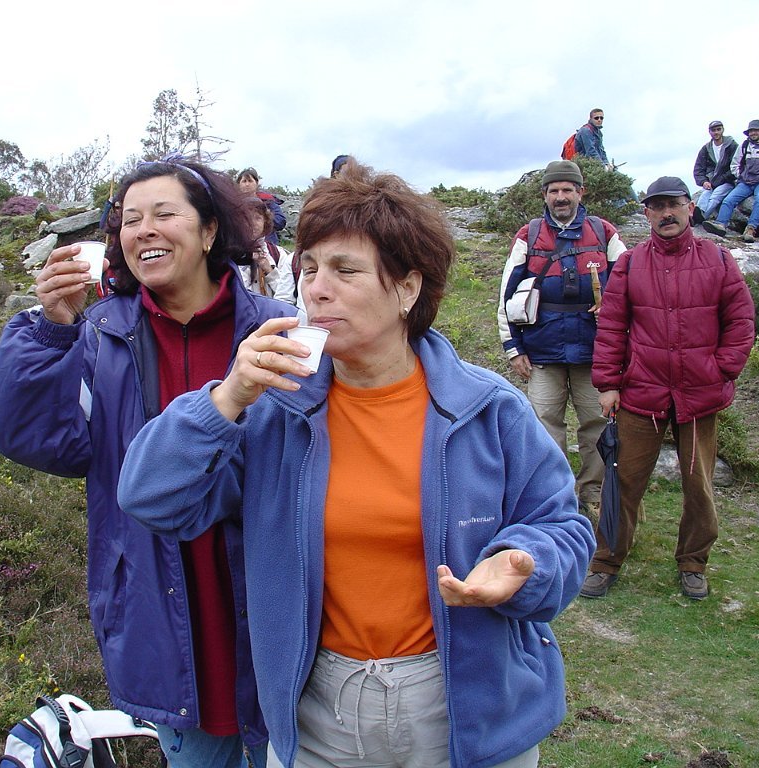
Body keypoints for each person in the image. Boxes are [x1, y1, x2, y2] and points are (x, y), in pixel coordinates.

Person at [120, 161, 595, 768]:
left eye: (346, 270)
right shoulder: (275, 410)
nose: (317, 289)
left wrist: (526, 563)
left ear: (408, 289)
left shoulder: (488, 408)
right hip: (319, 718)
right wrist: (227, 396)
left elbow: (563, 526)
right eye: (309, 269)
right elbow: (150, 497)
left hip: (467, 711)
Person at [0, 156, 299, 768]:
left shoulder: (272, 330)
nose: (144, 229)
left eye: (164, 214)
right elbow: (38, 438)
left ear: (209, 231)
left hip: (270, 606)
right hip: (160, 605)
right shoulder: (101, 338)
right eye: (129, 220)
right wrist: (50, 331)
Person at [586, 176, 754, 600]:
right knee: (622, 483)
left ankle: (693, 563)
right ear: (647, 214)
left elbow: (740, 321)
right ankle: (606, 561)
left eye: (673, 204)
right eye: (657, 207)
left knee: (699, 486)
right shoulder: (630, 264)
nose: (666, 213)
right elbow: (612, 327)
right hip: (641, 394)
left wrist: (721, 370)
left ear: (689, 207)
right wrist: (608, 384)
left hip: (700, 397)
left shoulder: (718, 260)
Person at [497, 160, 627, 519]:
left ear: (580, 192)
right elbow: (506, 296)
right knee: (543, 424)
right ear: (545, 195)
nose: (561, 197)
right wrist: (514, 348)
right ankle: (553, 494)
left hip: (595, 352)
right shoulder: (528, 235)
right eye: (554, 190)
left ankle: (593, 493)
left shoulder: (603, 233)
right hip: (542, 350)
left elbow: (630, 285)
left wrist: (613, 307)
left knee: (596, 424)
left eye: (567, 189)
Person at [702, 119, 759, 243]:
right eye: (751, 131)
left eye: (756, 130)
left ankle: (750, 229)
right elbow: (735, 164)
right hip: (745, 182)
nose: (753, 133)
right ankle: (721, 224)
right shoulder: (744, 145)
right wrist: (740, 176)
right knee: (728, 200)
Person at [239, 200, 297, 305]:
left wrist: (269, 271)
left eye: (257, 218)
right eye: (247, 218)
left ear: (265, 222)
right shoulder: (231, 254)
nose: (252, 223)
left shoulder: (278, 254)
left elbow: (287, 295)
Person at [692, 120, 738, 225]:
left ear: (723, 130)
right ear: (709, 132)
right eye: (713, 130)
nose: (716, 132)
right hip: (711, 181)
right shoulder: (706, 149)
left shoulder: (731, 145)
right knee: (704, 195)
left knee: (716, 196)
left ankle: (701, 218)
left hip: (727, 181)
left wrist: (723, 179)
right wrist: (703, 181)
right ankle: (697, 214)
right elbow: (698, 168)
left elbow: (737, 165)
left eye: (718, 129)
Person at [237, 167, 287, 246]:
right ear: (239, 184)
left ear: (256, 183)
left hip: (268, 244)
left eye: (250, 181)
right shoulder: (234, 203)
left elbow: (281, 221)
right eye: (244, 181)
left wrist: (264, 219)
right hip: (240, 245)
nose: (247, 184)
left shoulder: (268, 201)